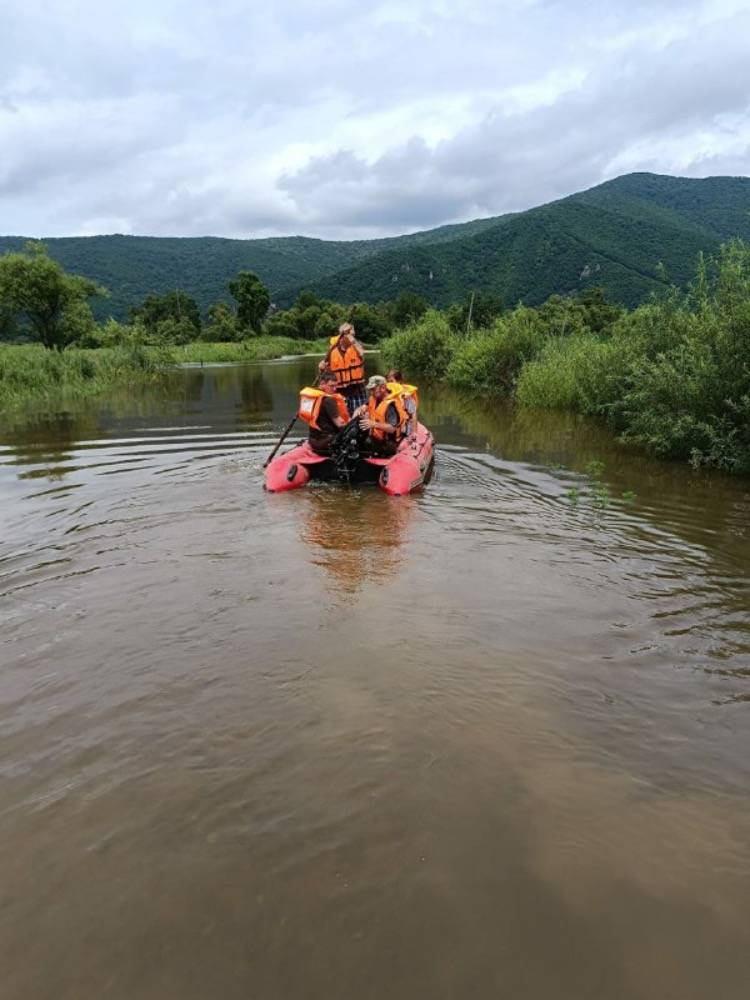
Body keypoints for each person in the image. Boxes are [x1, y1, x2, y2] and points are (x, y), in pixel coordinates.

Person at [298, 370, 349, 455]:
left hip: (313, 441)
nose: (335, 389)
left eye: (336, 386)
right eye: (331, 386)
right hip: (327, 441)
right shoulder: (329, 400)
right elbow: (340, 424)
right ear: (322, 384)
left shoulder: (313, 398)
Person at [354, 375, 408, 456]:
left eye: (373, 389)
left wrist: (373, 424)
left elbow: (392, 429)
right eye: (370, 390)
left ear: (383, 388)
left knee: (364, 444)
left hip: (388, 443)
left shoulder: (391, 405)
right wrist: (361, 409)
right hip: (376, 438)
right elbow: (366, 404)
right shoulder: (374, 397)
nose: (371, 392)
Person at [319, 322, 366, 415]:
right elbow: (325, 374)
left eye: (353, 334)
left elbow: (361, 353)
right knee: (343, 418)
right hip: (340, 391)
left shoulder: (356, 346)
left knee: (360, 417)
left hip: (357, 389)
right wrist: (321, 367)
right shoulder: (332, 351)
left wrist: (352, 338)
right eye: (350, 334)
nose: (352, 336)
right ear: (342, 335)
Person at [385, 368, 419, 437]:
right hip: (390, 426)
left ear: (399, 381)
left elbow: (413, 414)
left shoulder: (406, 396)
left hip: (403, 429)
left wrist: (414, 432)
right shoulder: (385, 395)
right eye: (388, 382)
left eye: (392, 381)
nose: (389, 384)